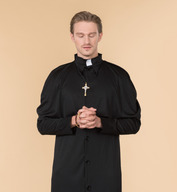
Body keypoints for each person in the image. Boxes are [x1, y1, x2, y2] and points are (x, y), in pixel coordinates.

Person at [36, 11, 141, 192]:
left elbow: (134, 123)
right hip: (67, 175)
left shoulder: (118, 77)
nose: (86, 41)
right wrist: (74, 121)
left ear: (100, 35)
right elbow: (43, 124)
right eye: (81, 35)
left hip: (106, 175)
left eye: (92, 35)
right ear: (72, 37)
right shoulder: (57, 77)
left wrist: (101, 122)